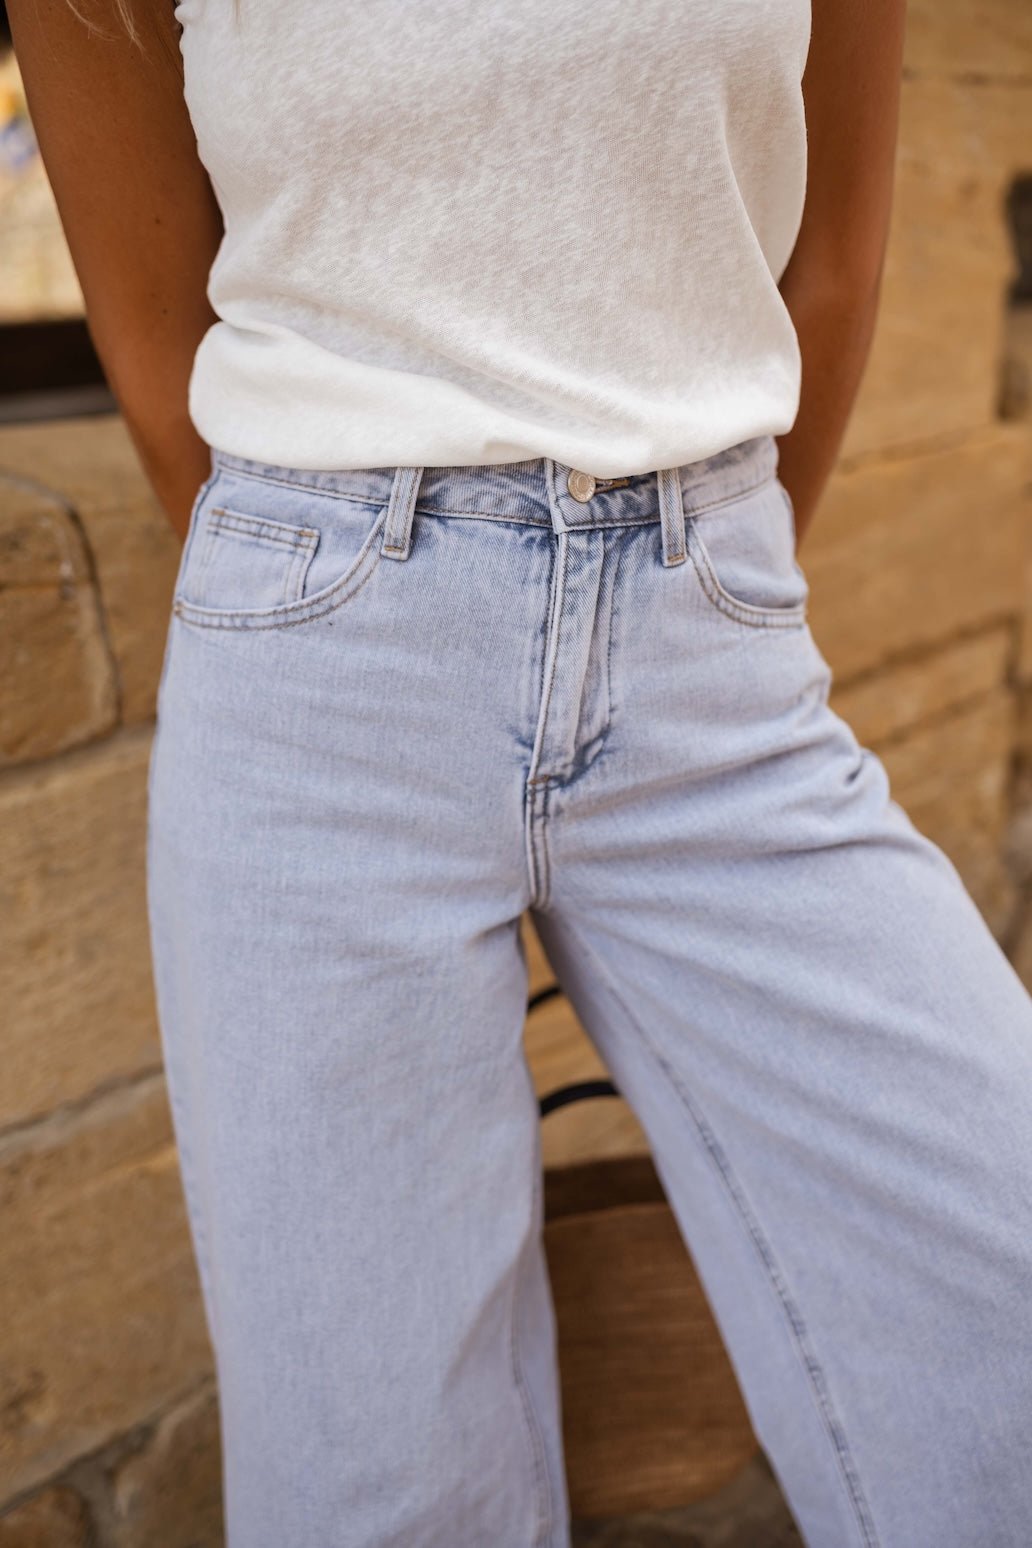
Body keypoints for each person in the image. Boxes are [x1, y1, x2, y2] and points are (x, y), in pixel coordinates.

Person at [11, 2, 1032, 1544]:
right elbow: (156, 342)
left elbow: (830, 263)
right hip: (326, 683)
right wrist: (344, 617)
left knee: (997, 1287)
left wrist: (700, 604)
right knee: (384, 1485)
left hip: (708, 657)